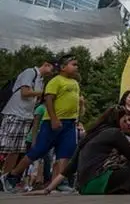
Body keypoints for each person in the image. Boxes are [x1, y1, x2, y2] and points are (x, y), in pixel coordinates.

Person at [3, 55, 83, 191]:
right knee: (38, 150)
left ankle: (60, 181)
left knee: (65, 153)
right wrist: (53, 118)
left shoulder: (75, 83)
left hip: (70, 124)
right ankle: (12, 176)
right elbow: (49, 100)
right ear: (63, 68)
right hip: (53, 122)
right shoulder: (55, 81)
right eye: (73, 64)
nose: (76, 67)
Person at [0, 59, 54, 181]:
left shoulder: (41, 80)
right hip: (14, 113)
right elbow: (25, 92)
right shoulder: (30, 72)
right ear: (46, 64)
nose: (52, 72)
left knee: (16, 150)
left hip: (26, 116)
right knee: (4, 146)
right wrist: (43, 93)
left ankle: (4, 178)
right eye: (51, 69)